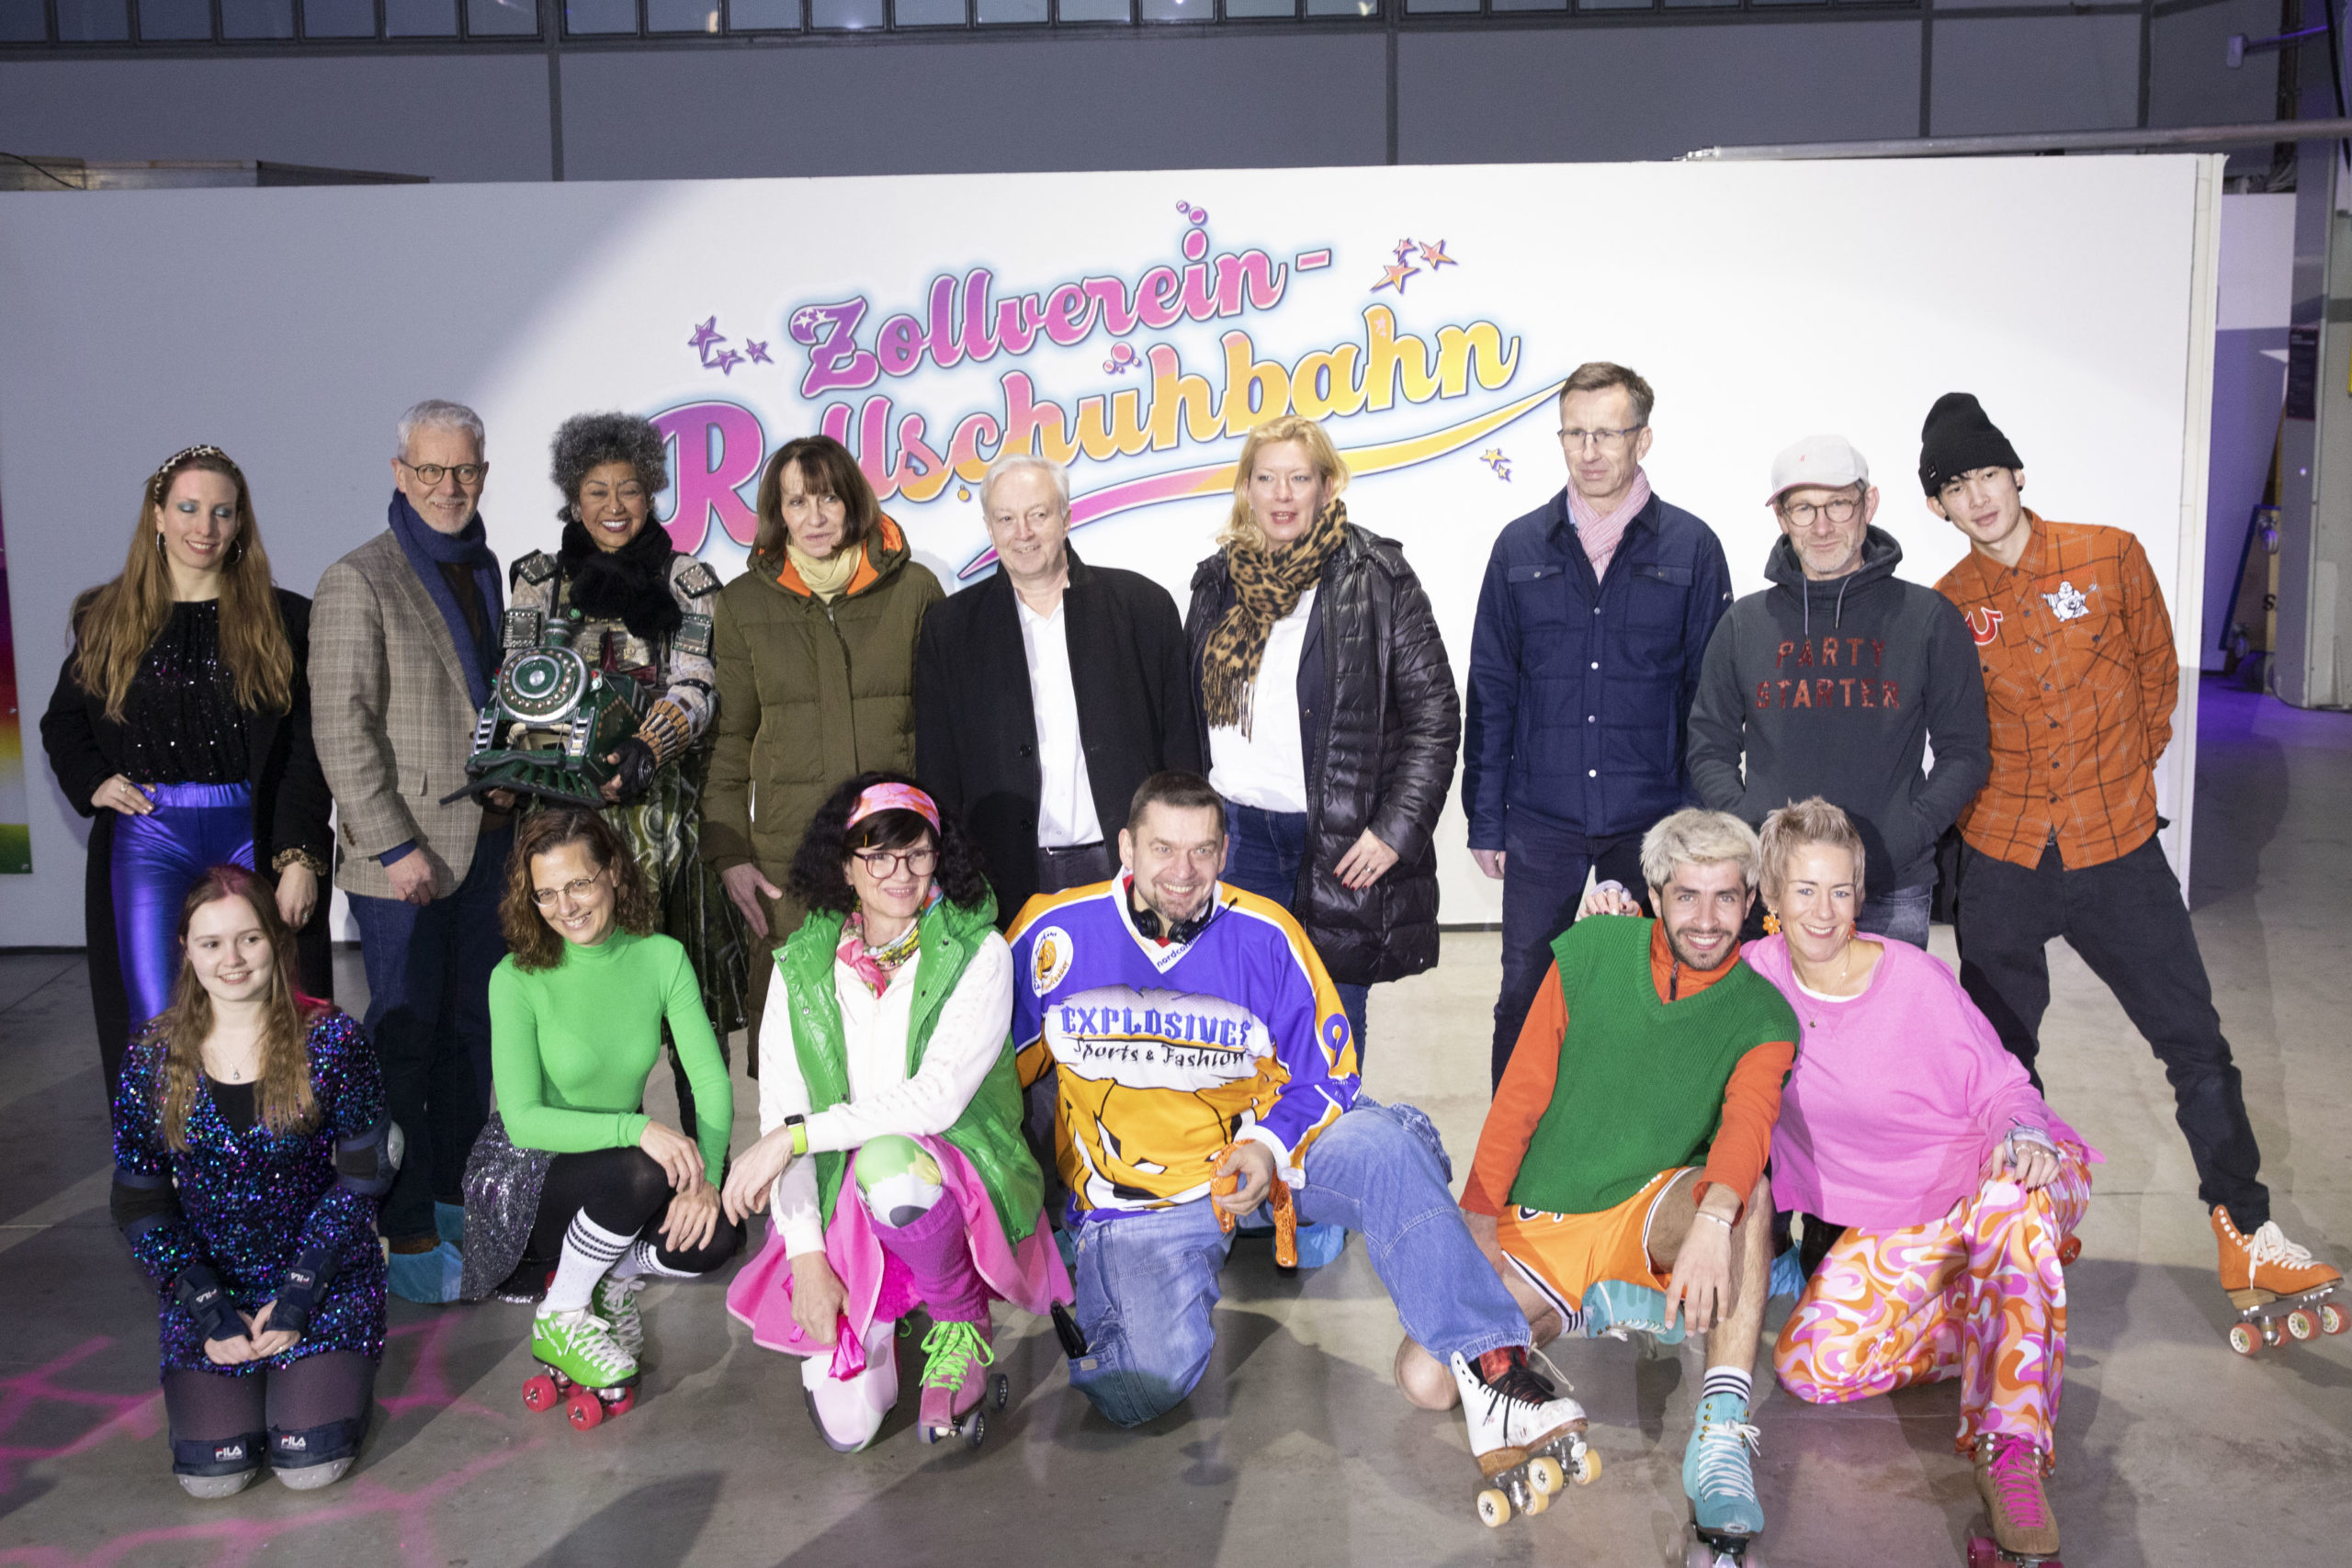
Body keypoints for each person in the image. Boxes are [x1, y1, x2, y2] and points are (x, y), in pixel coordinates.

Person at [1011, 772, 1591, 1513]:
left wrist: (1263, 1146)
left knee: (1380, 1148)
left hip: (1264, 1166)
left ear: (1224, 851)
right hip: (1143, 1205)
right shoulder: (1053, 933)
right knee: (1133, 1392)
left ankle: (1492, 1363)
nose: (1182, 870)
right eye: (1162, 847)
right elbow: (994, 1077)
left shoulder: (1267, 934)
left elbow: (1327, 1074)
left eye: (1201, 850)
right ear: (1126, 846)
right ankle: (1155, 1294)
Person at [1922, 392, 2342, 1324]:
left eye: (1988, 473)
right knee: (2002, 1068)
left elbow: (2156, 679)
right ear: (1938, 508)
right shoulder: (1948, 606)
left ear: (2016, 474)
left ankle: (2245, 1233)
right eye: (1956, 487)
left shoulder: (2108, 552)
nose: (1979, 497)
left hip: (2117, 853)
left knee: (2195, 1045)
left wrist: (2110, 787)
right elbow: (1955, 737)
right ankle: (2012, 1242)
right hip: (2001, 860)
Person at [1412, 807, 1797, 1562]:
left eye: (1726, 897)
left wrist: (1715, 1218)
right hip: (1547, 1215)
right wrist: (1481, 1219)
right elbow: (1521, 1092)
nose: (1708, 918)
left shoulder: (1764, 1014)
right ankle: (1596, 1310)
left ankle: (1720, 1431)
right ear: (1655, 892)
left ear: (1751, 898)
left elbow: (1748, 1128)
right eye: (1687, 895)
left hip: (1648, 1207)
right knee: (1425, 1378)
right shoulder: (1592, 949)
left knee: (1744, 1196)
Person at [1719, 796, 2095, 1563]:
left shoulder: (1915, 982)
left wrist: (2024, 1139)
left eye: (1841, 890)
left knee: (2007, 1212)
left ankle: (2010, 1455)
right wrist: (1615, 904)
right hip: (1910, 1219)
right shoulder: (1753, 979)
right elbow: (1671, 961)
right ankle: (2004, 1303)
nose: (1824, 912)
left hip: (2007, 1170)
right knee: (1809, 1366)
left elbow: (2004, 1089)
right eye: (1804, 890)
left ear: (1861, 894)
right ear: (1770, 896)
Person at [721, 775, 1067, 1452]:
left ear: (941, 857)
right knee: (851, 1427)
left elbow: (933, 1099)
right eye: (875, 855)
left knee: (889, 1162)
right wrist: (808, 1256)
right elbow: (781, 1118)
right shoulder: (798, 968)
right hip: (838, 1193)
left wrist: (797, 1138)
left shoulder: (980, 953)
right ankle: (894, 1301)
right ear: (845, 865)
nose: (898, 873)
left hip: (950, 1166)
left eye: (916, 854)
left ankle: (959, 1316)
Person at [1464, 364, 1733, 1088]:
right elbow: (1491, 688)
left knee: (1650, 991)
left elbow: (1707, 698)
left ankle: (1637, 1167)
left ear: (1642, 439)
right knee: (1525, 992)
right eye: (1574, 433)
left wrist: (1695, 825)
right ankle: (1513, 1173)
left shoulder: (1691, 549)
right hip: (1541, 815)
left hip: (1650, 820)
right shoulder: (1521, 547)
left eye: (1607, 433)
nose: (1590, 450)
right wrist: (1485, 818)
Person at [41, 445, 333, 1094]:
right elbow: (63, 722)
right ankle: (164, 1176)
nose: (205, 527)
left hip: (251, 829)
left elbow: (305, 747)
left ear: (240, 524)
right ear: (158, 515)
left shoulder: (285, 620)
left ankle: (272, 1165)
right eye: (190, 508)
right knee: (156, 1018)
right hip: (149, 836)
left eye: (222, 512)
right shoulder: (105, 616)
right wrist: (94, 780)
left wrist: (300, 856)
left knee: (273, 1011)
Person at [311, 400, 514, 1303]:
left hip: (485, 846)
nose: (447, 487)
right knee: (405, 1040)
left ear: (481, 473)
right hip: (404, 863)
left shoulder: (485, 566)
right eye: (429, 471)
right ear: (400, 474)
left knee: (471, 1036)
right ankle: (400, 1228)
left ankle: (456, 1198)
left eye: (463, 470)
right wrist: (394, 845)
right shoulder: (359, 579)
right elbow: (340, 729)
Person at [505, 411, 749, 1143]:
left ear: (654, 493)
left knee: (684, 1007)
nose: (615, 506)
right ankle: (590, 1168)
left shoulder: (691, 580)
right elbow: (517, 687)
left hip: (663, 823)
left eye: (631, 489)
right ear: (572, 499)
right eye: (597, 490)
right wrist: (523, 757)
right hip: (560, 822)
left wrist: (651, 742)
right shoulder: (538, 581)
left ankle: (711, 1172)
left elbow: (700, 682)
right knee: (571, 1006)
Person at [109, 865, 390, 1499]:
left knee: (305, 1463)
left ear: (278, 942)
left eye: (249, 939)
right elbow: (140, 1199)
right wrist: (207, 1305)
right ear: (186, 950)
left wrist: (299, 1293)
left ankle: (329, 1379)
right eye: (211, 943)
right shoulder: (151, 1056)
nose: (231, 959)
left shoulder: (333, 1040)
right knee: (215, 1474)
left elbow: (365, 1178)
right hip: (209, 1283)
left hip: (323, 1279)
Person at [1183, 414, 1459, 1055]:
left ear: (1327, 486)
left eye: (1299, 478)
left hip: (1338, 840)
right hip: (1238, 835)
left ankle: (1324, 1154)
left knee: (1329, 1027)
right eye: (1268, 477)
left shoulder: (1379, 575)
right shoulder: (1215, 581)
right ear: (1246, 488)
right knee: (1236, 1025)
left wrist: (1396, 831)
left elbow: (1435, 717)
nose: (1282, 495)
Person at [458, 808, 738, 1404]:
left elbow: (709, 1080)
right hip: (524, 1174)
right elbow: (524, 1118)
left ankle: (611, 1273)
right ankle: (562, 1313)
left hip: (615, 1168)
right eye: (547, 893)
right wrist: (636, 1126)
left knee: (718, 1232)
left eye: (579, 883)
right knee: (646, 1165)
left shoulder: (661, 957)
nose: (567, 906)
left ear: (612, 873)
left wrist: (708, 1181)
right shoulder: (516, 976)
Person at [1686, 433, 1990, 950]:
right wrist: (1753, 831)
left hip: (1891, 886)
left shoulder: (1927, 619)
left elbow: (1965, 752)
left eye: (1838, 505)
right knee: (1780, 1031)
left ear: (1868, 504)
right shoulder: (1744, 624)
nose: (1822, 526)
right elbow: (1708, 749)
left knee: (1882, 1032)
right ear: (1781, 518)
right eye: (1803, 508)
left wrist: (1906, 833)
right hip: (1776, 890)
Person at [705, 434, 943, 1048]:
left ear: (853, 503)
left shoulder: (913, 590)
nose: (813, 518)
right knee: (804, 1040)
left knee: (904, 1036)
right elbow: (729, 740)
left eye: (828, 500)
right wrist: (729, 853)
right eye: (796, 503)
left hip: (898, 854)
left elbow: (948, 727)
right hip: (792, 859)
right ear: (776, 512)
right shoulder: (741, 604)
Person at [915, 452, 1199, 920]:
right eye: (1006, 518)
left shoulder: (1143, 609)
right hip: (1005, 875)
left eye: (1038, 515)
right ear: (989, 529)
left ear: (1066, 519)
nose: (1022, 532)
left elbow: (1181, 747)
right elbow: (938, 770)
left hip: (1128, 866)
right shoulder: (949, 629)